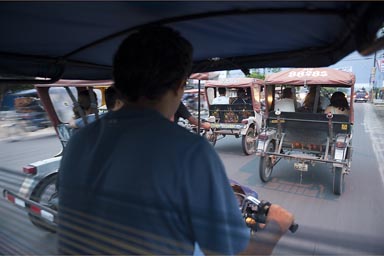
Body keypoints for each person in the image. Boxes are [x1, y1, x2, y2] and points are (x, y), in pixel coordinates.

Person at [58, 26, 294, 255]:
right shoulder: (190, 152)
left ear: (118, 81)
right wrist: (276, 226)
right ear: (180, 86)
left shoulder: (80, 142)